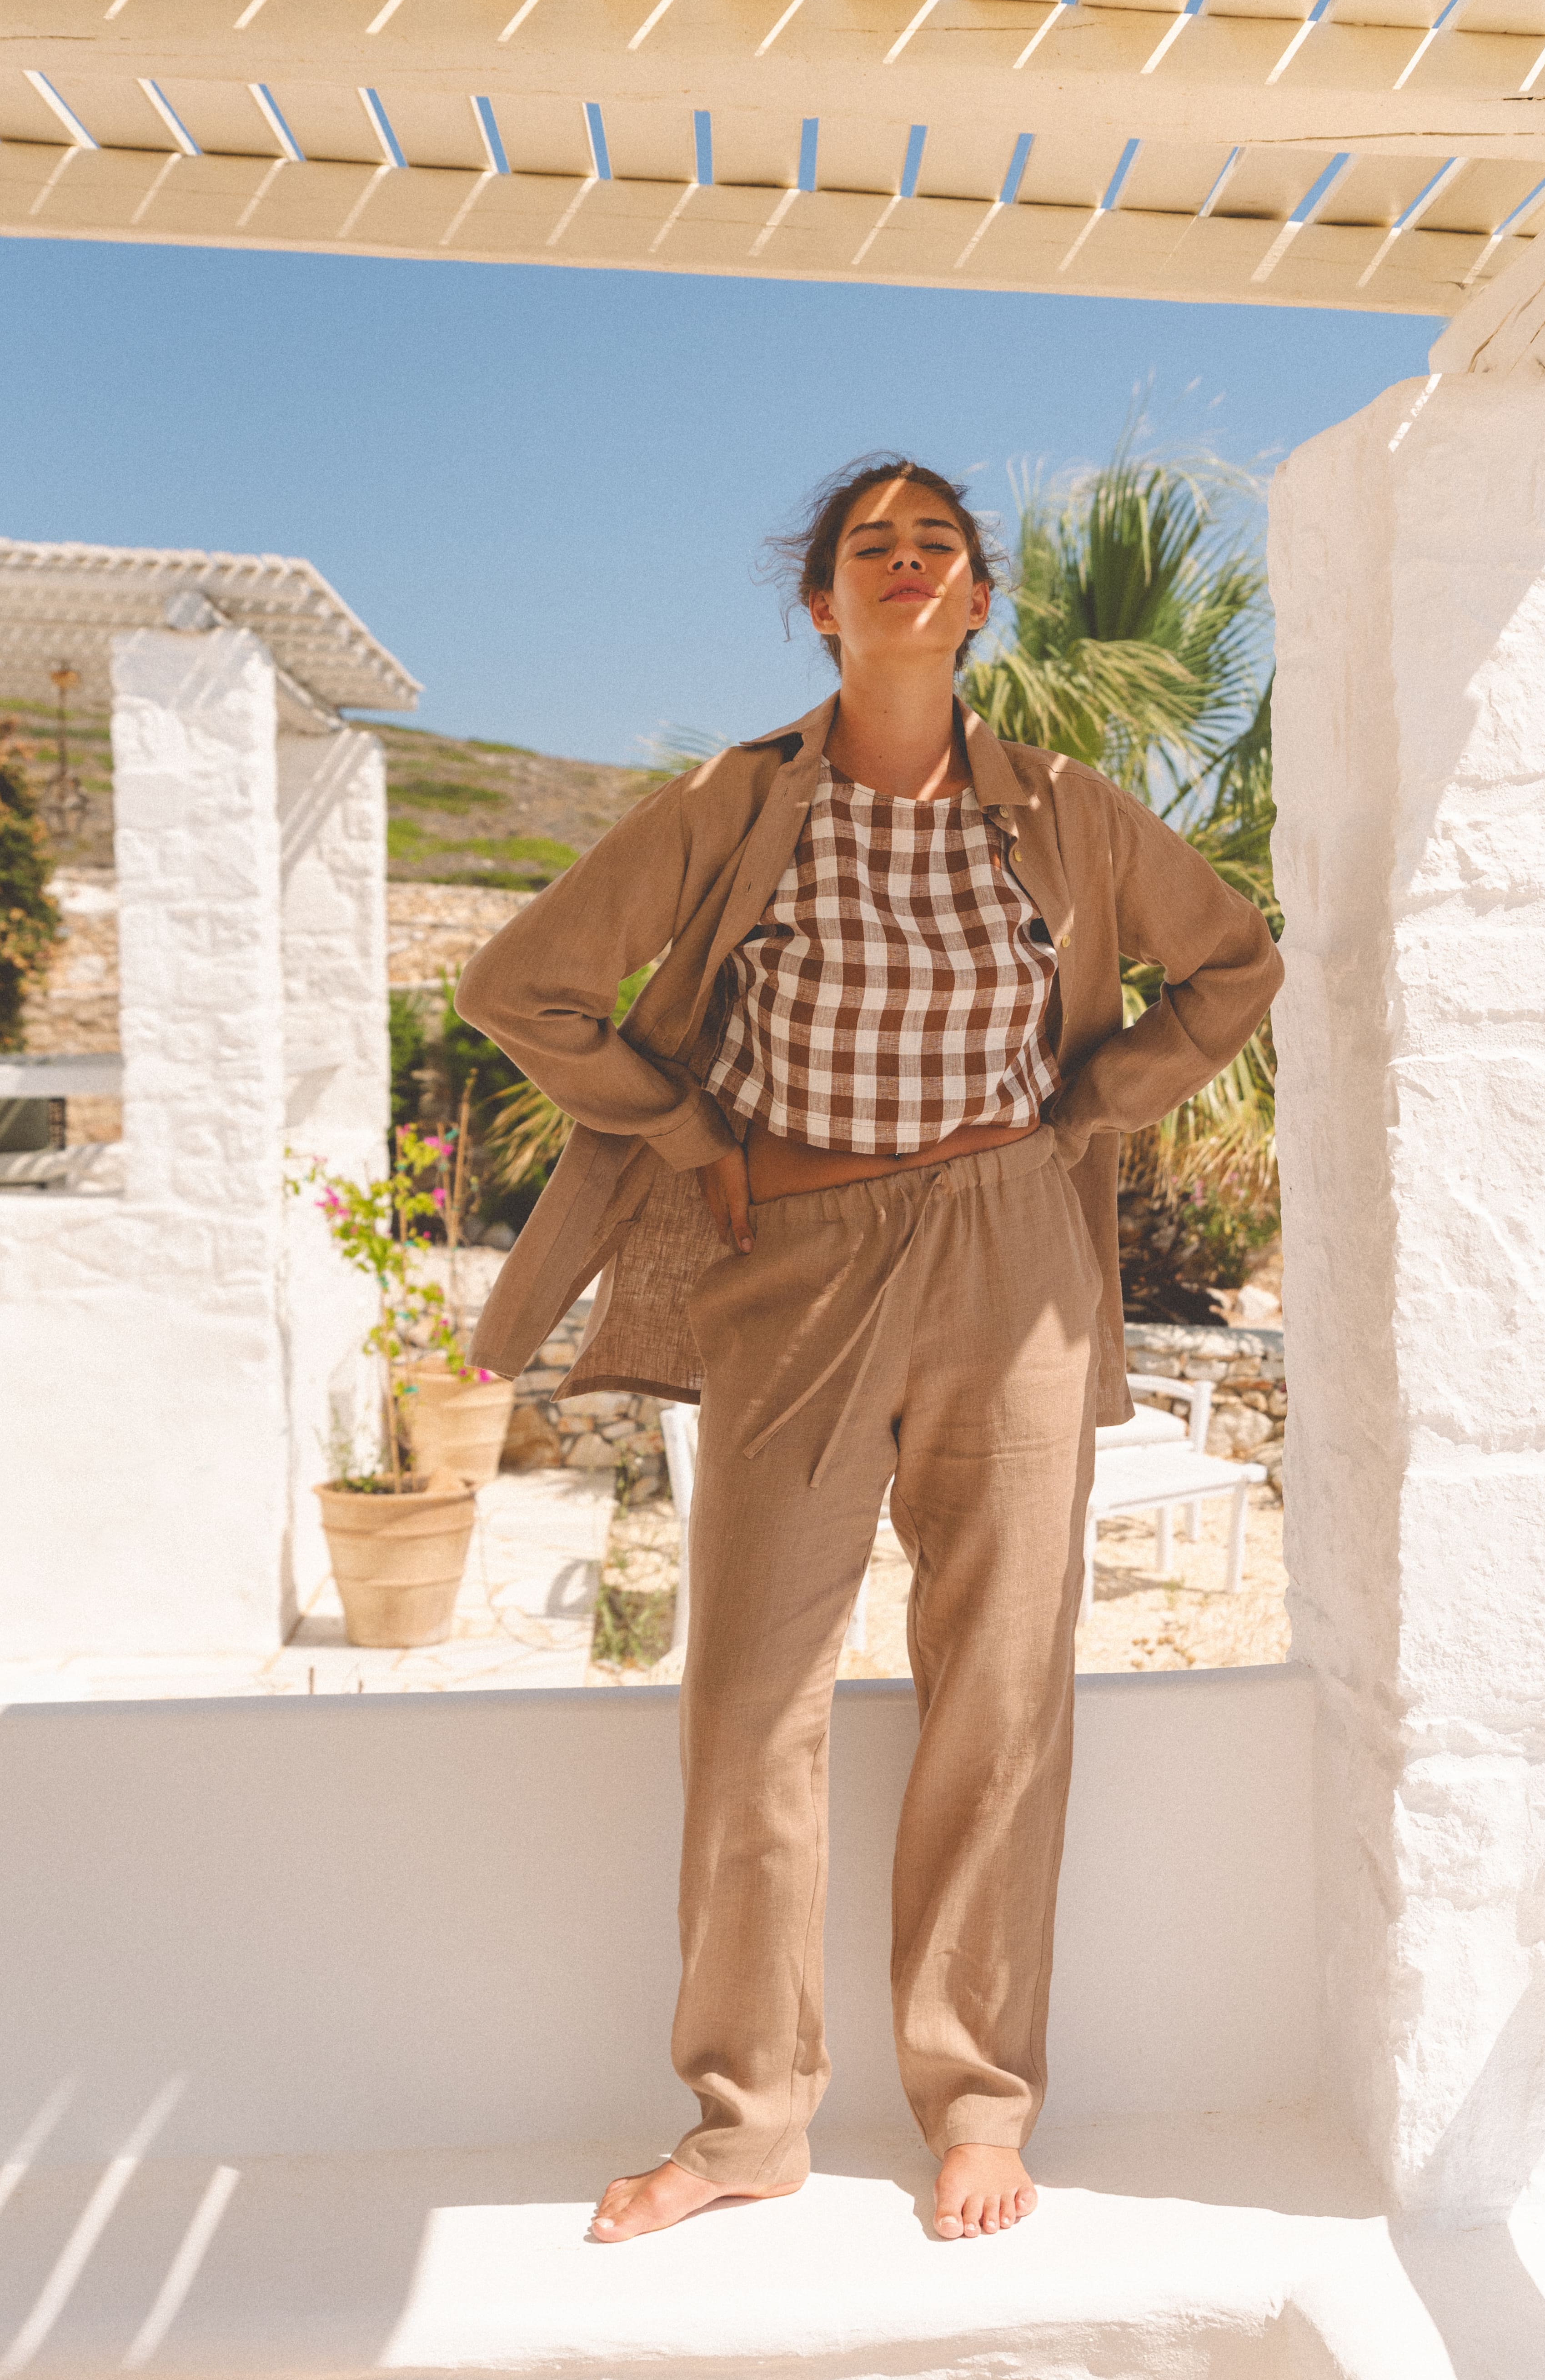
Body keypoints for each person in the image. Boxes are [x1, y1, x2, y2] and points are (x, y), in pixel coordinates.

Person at [456, 458, 1282, 2244]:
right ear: (820, 604)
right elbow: (519, 986)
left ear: (978, 601)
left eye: (940, 548)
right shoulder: (734, 802)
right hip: (798, 1257)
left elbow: (1233, 967)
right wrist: (684, 1135)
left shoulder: (1065, 806)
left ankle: (978, 2099)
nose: (908, 567)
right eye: (868, 549)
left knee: (1004, 1682)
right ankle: (747, 2117)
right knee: (752, 1693)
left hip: (1012, 1255)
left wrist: (1098, 1104)